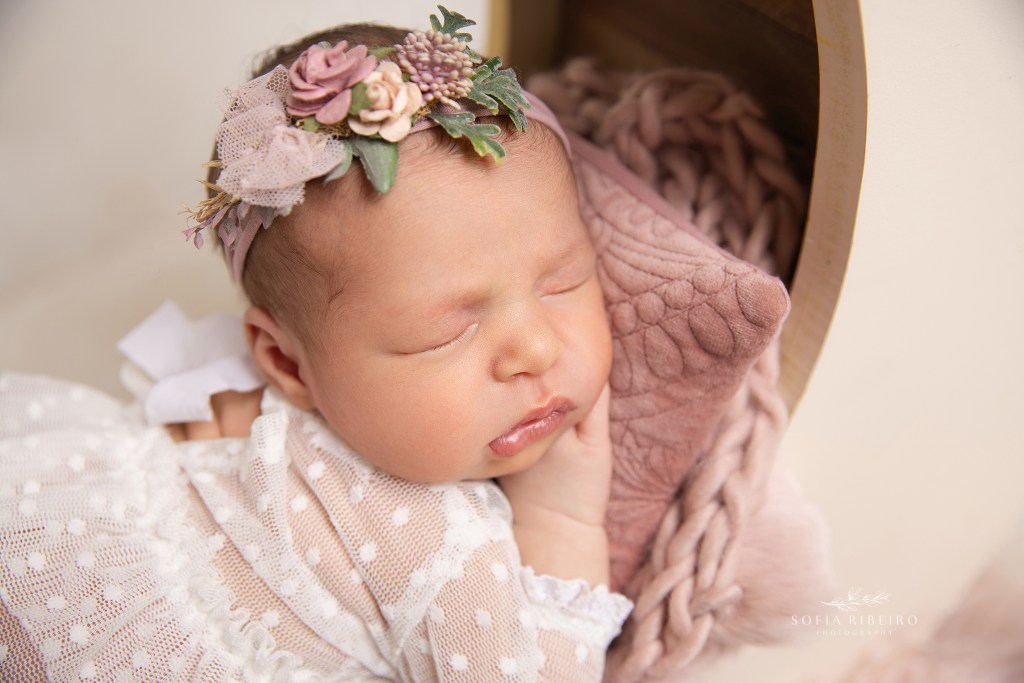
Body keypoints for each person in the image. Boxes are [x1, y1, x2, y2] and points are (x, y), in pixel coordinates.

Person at [0, 8, 632, 682]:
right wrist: (563, 519)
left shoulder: (244, 399)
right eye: (448, 331)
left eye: (564, 281)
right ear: (284, 362)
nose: (535, 347)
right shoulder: (449, 551)